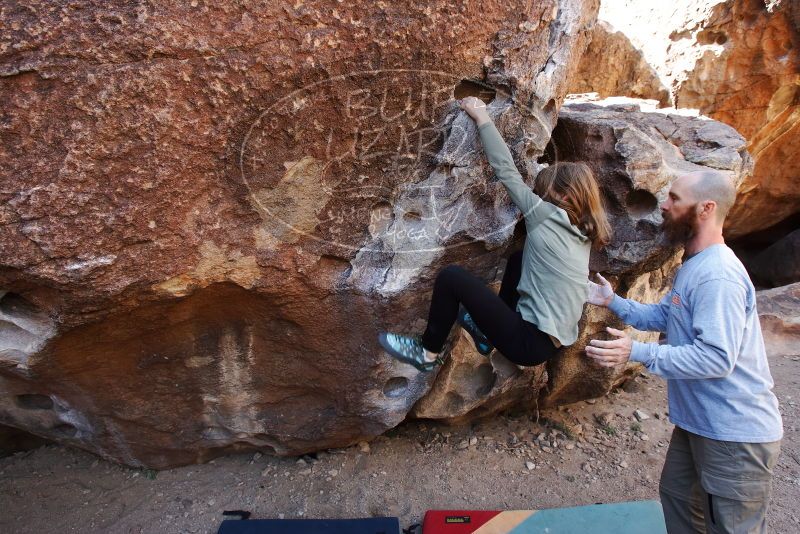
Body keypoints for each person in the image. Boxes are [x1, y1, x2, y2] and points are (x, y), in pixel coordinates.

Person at [585, 171, 783, 533]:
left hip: (734, 433)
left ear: (706, 208)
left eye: (675, 199)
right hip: (700, 423)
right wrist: (614, 301)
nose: (664, 205)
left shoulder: (717, 275)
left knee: (729, 526)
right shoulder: (694, 264)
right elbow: (665, 314)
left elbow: (716, 358)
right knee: (678, 498)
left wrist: (638, 352)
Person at [378, 96, 610, 371]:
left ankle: (427, 353)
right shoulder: (583, 233)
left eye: (545, 193)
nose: (540, 198)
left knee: (451, 277)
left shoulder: (546, 215)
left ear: (564, 196)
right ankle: (486, 335)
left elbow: (507, 171)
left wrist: (483, 119)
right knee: (518, 259)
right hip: (545, 345)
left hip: (526, 340)